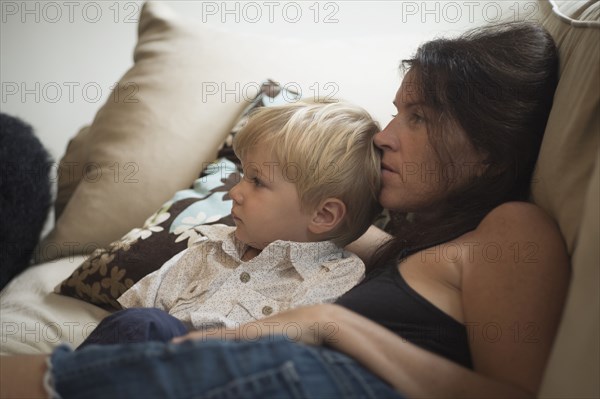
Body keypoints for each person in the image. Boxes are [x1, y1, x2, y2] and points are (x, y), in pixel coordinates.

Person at [0, 22, 570, 399]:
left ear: (488, 152)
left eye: (418, 118)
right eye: (396, 113)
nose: (386, 137)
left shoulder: (513, 228)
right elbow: (306, 210)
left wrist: (330, 324)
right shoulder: (407, 239)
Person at [78, 101, 382, 346]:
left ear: (323, 216)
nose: (235, 192)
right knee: (138, 323)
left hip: (227, 374)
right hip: (148, 362)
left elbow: (292, 347)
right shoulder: (208, 248)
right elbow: (133, 317)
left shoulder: (336, 275)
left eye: (257, 182)